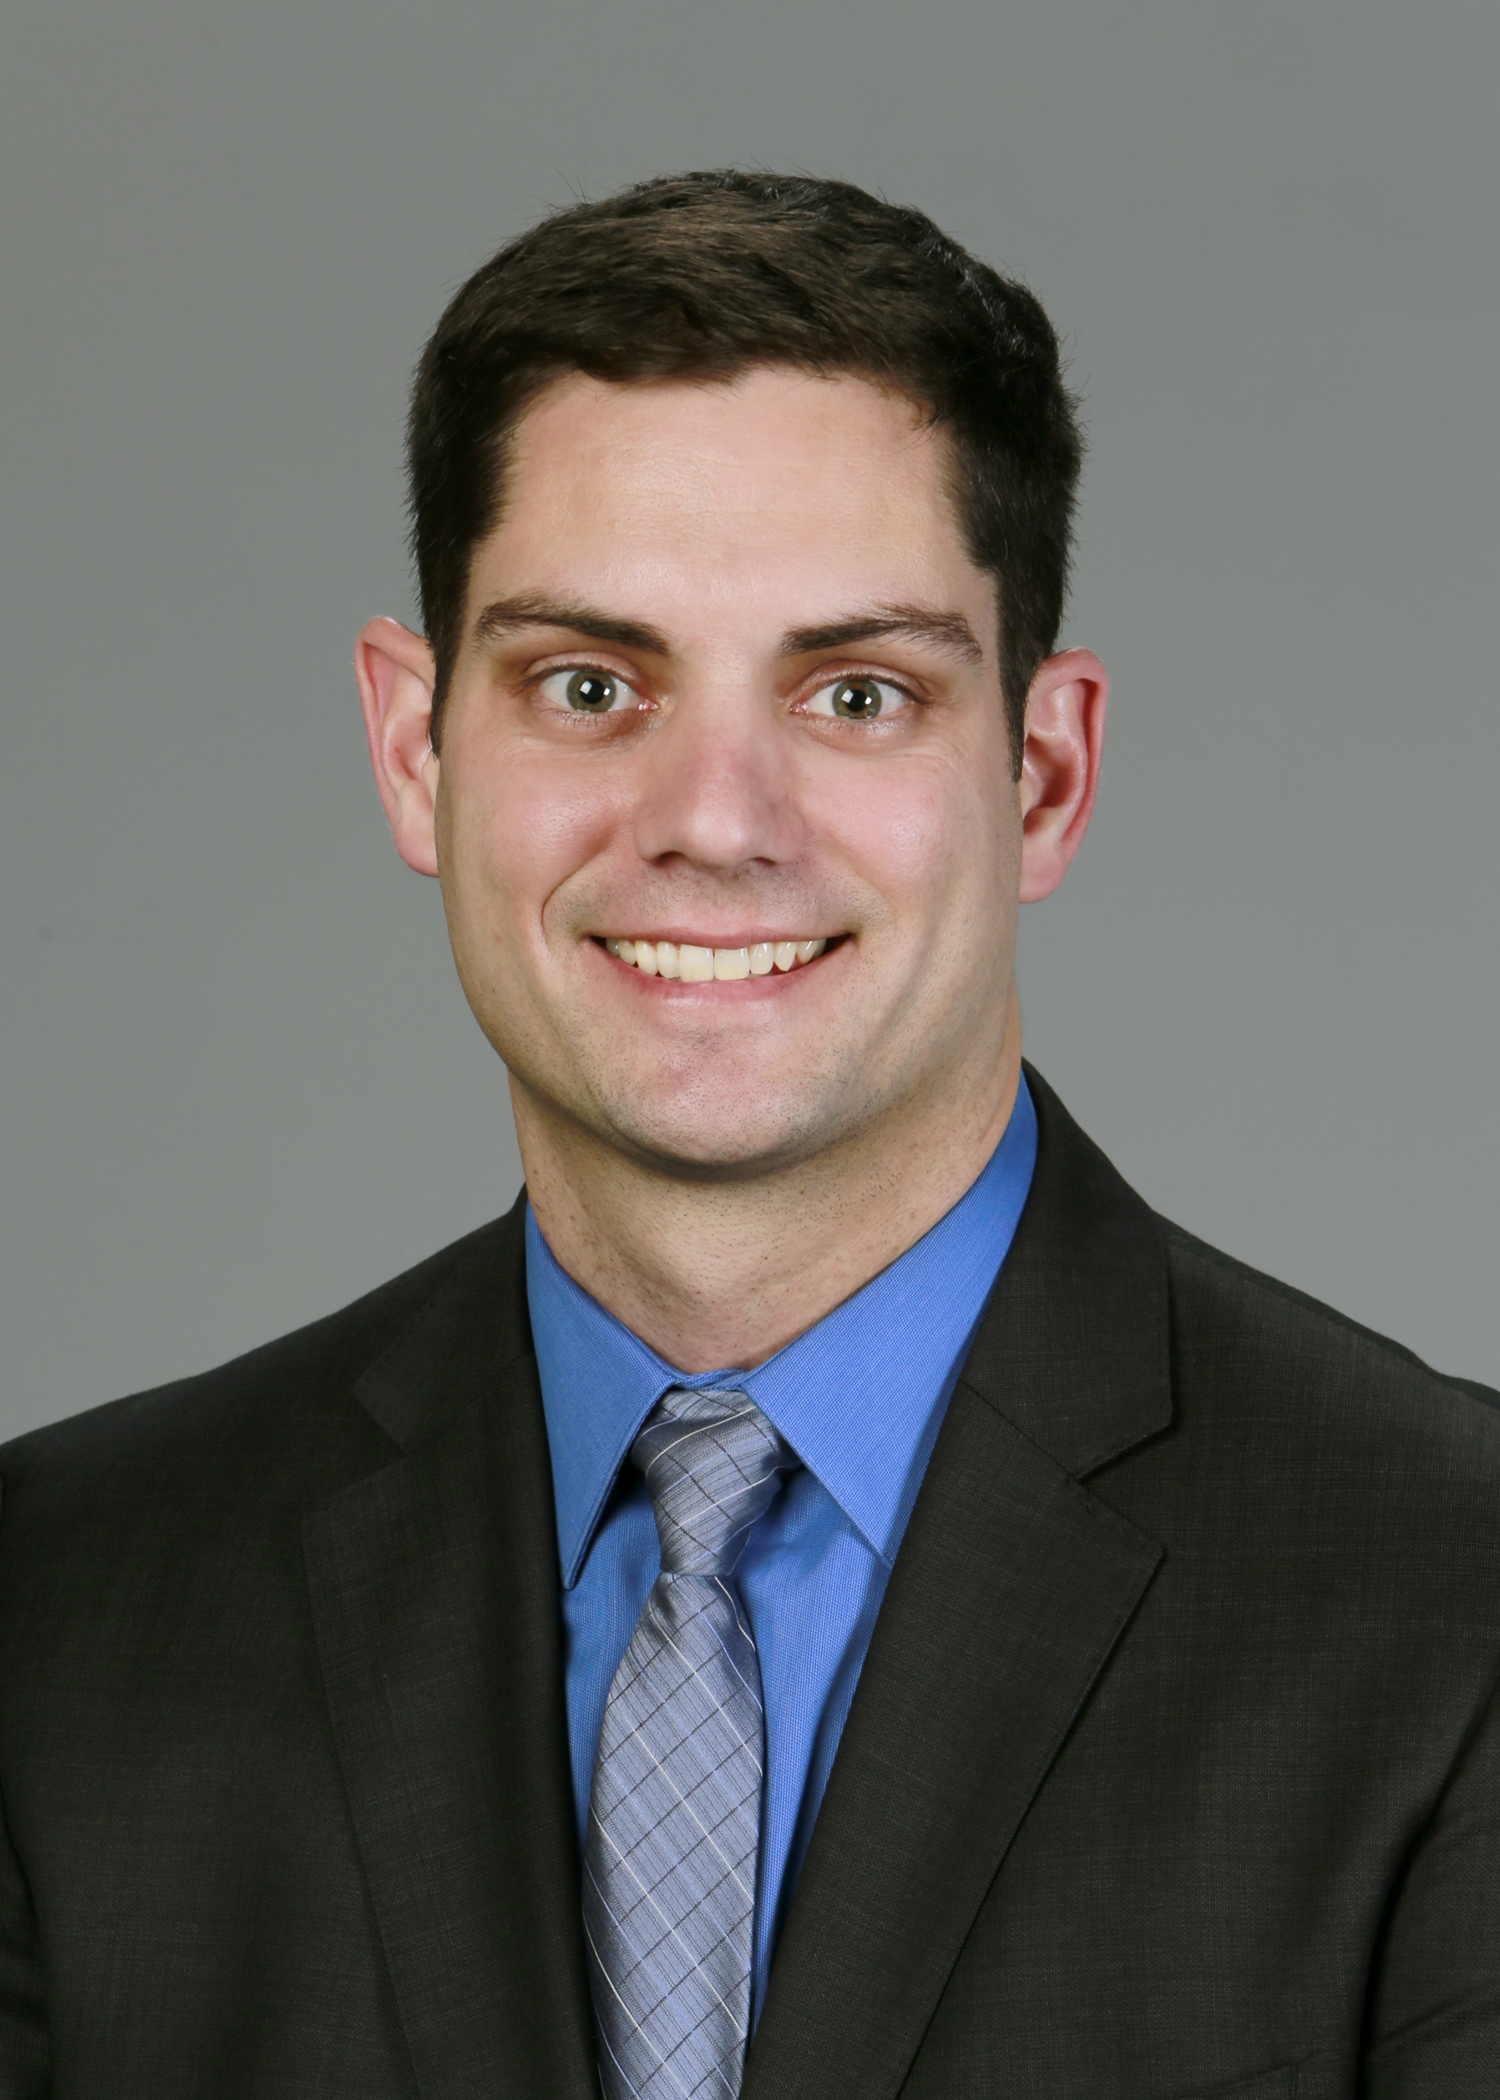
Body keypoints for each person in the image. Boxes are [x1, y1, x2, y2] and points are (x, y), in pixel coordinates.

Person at [2, 170, 1497, 2100]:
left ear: (1043, 776)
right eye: (589, 685)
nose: (715, 821)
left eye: (857, 692)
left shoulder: (1451, 1605)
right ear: (415, 749)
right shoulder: (55, 1615)